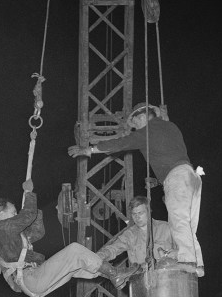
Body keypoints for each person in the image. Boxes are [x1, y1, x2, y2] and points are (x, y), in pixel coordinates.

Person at [71, 104, 204, 275]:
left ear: (141, 117)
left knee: (179, 221)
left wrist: (89, 149)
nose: (135, 128)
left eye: (135, 124)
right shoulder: (171, 127)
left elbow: (121, 143)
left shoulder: (147, 132)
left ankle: (188, 261)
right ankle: (197, 265)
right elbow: (169, 151)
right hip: (190, 176)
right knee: (188, 225)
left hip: (176, 177)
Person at [0, 180, 123, 297]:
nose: (15, 215)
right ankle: (115, 274)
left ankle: (117, 275)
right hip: (30, 279)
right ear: (2, 214)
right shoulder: (2, 229)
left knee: (75, 265)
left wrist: (33, 213)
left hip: (34, 280)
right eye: (13, 212)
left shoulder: (9, 235)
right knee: (74, 250)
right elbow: (28, 216)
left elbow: (37, 233)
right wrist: (28, 193)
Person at [93, 195, 174, 285]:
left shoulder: (166, 228)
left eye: (140, 213)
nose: (137, 217)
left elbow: (184, 251)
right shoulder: (130, 235)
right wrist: (98, 256)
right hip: (141, 284)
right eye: (134, 214)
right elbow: (113, 248)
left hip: (168, 281)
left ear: (149, 212)